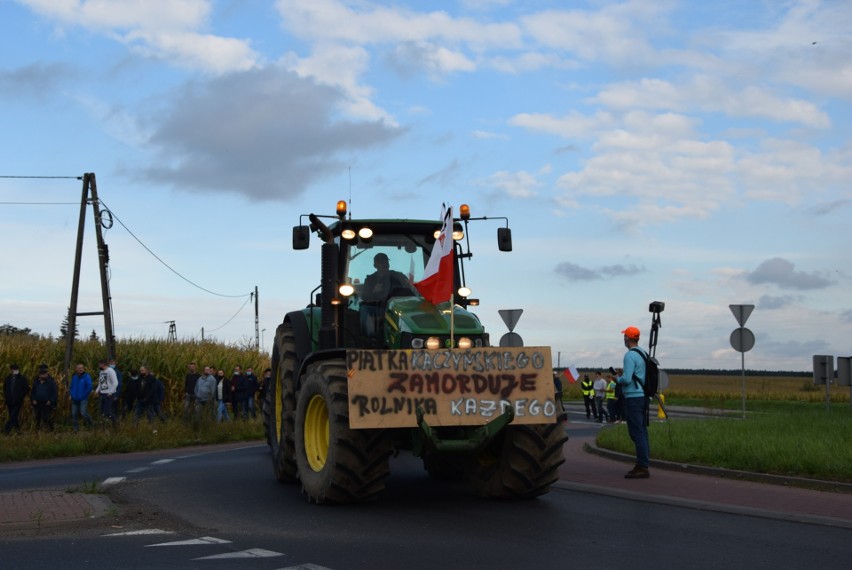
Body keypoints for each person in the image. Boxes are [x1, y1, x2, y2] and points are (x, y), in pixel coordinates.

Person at [615, 326, 651, 479]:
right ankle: (643, 463)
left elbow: (627, 379)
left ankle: (642, 466)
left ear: (627, 338)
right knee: (642, 431)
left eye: (625, 336)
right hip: (643, 396)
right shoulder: (643, 353)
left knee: (636, 432)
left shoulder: (629, 355)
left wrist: (618, 379)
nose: (624, 339)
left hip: (633, 397)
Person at [359, 252, 413, 336]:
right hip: (378, 309)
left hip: (397, 309)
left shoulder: (398, 276)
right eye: (381, 262)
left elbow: (410, 293)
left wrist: (404, 288)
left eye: (385, 262)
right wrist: (374, 292)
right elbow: (364, 296)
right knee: (364, 309)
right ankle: (369, 339)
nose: (384, 264)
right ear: (375, 265)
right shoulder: (370, 279)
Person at [3, 364, 29, 434]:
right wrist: (6, 396)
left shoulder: (22, 378)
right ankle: (18, 431)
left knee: (13, 416)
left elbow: (26, 389)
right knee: (13, 416)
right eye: (13, 369)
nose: (14, 371)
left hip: (18, 401)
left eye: (16, 369)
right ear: (11, 370)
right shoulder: (8, 379)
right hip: (9, 401)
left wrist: (21, 396)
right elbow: (5, 388)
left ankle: (6, 430)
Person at [31, 364, 58, 431]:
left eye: (44, 374)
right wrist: (33, 399)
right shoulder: (36, 382)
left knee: (46, 417)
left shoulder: (51, 382)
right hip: (37, 402)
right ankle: (37, 430)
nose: (43, 375)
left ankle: (51, 429)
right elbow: (33, 392)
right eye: (41, 374)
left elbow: (54, 393)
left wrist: (51, 401)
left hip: (47, 403)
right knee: (37, 417)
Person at [68, 363, 94, 431]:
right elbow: (71, 387)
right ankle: (75, 429)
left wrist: (84, 395)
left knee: (83, 413)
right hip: (74, 398)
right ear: (76, 369)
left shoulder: (86, 376)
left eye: (82, 367)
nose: (80, 369)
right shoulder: (74, 377)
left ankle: (91, 424)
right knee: (74, 414)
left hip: (83, 398)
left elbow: (89, 387)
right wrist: (72, 394)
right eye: (79, 368)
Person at [96, 359, 118, 426]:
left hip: (109, 394)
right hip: (102, 393)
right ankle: (103, 425)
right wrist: (97, 391)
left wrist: (111, 392)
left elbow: (115, 382)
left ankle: (115, 422)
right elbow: (100, 383)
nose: (98, 366)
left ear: (103, 364)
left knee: (107, 411)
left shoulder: (110, 371)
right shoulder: (101, 372)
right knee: (102, 411)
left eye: (99, 364)